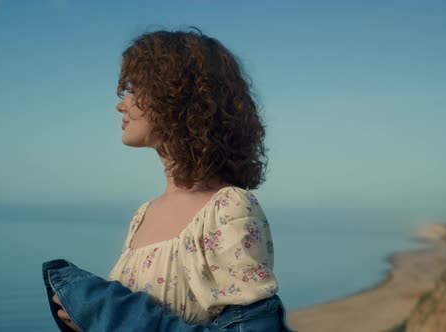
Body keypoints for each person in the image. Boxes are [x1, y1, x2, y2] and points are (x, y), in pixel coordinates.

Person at [44, 27, 295, 331]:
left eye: (135, 89)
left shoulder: (227, 209)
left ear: (176, 97)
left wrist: (112, 313)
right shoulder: (143, 214)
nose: (121, 104)